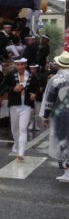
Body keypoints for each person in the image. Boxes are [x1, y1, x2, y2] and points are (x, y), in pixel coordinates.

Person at [39, 51, 69, 181]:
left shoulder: (55, 79)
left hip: (62, 114)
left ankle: (67, 172)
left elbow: (49, 100)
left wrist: (45, 116)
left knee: (63, 141)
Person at [3, 58, 40, 161]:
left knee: (23, 129)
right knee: (15, 129)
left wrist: (35, 94)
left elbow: (38, 87)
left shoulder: (31, 76)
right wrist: (13, 89)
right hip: (14, 105)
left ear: (25, 65)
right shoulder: (11, 75)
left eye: (22, 65)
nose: (20, 67)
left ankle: (21, 152)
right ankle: (16, 143)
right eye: (18, 65)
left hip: (26, 106)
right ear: (15, 65)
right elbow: (3, 87)